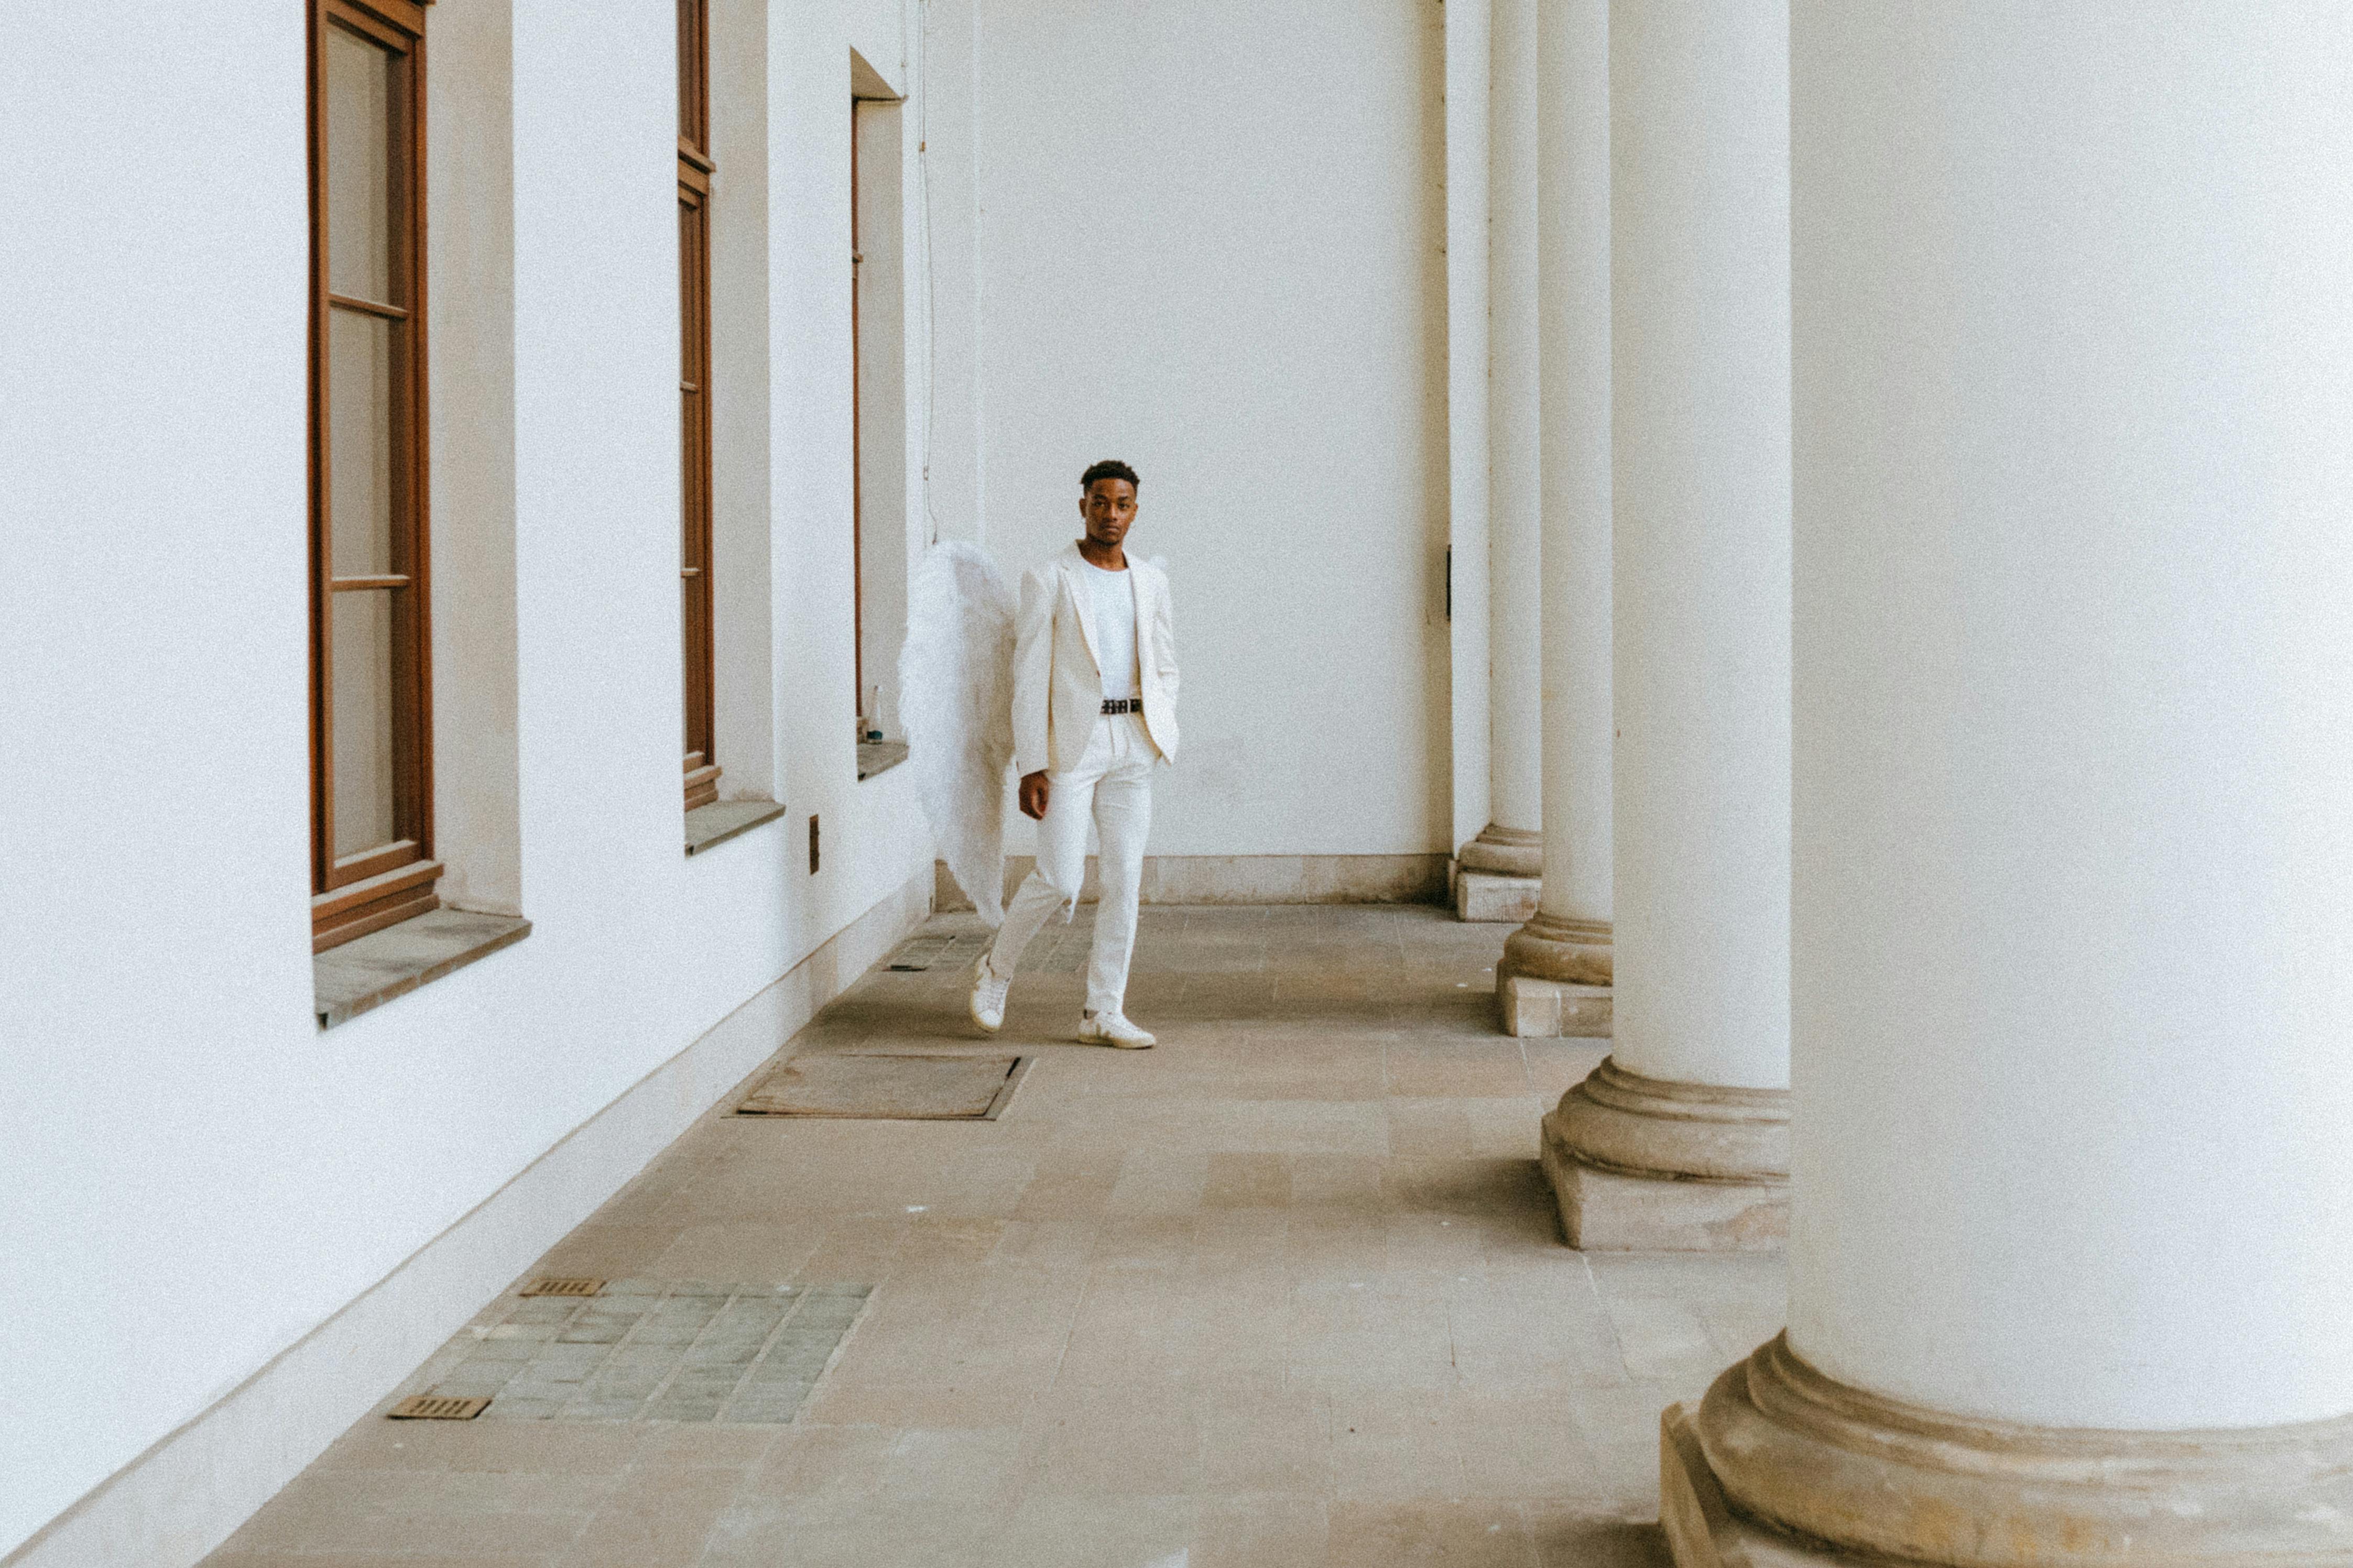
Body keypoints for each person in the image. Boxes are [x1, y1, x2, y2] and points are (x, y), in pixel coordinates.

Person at [968, 459, 1179, 1047]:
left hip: (1133, 743)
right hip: (1072, 747)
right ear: (1082, 505)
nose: (1111, 514)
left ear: (1135, 511)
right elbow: (1029, 675)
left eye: (1123, 504)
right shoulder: (1050, 578)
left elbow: (1164, 661)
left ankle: (1101, 1010)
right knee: (1059, 877)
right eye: (1100, 502)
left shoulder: (1151, 581)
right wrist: (1031, 762)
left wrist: (1162, 722)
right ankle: (996, 968)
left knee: (1123, 879)